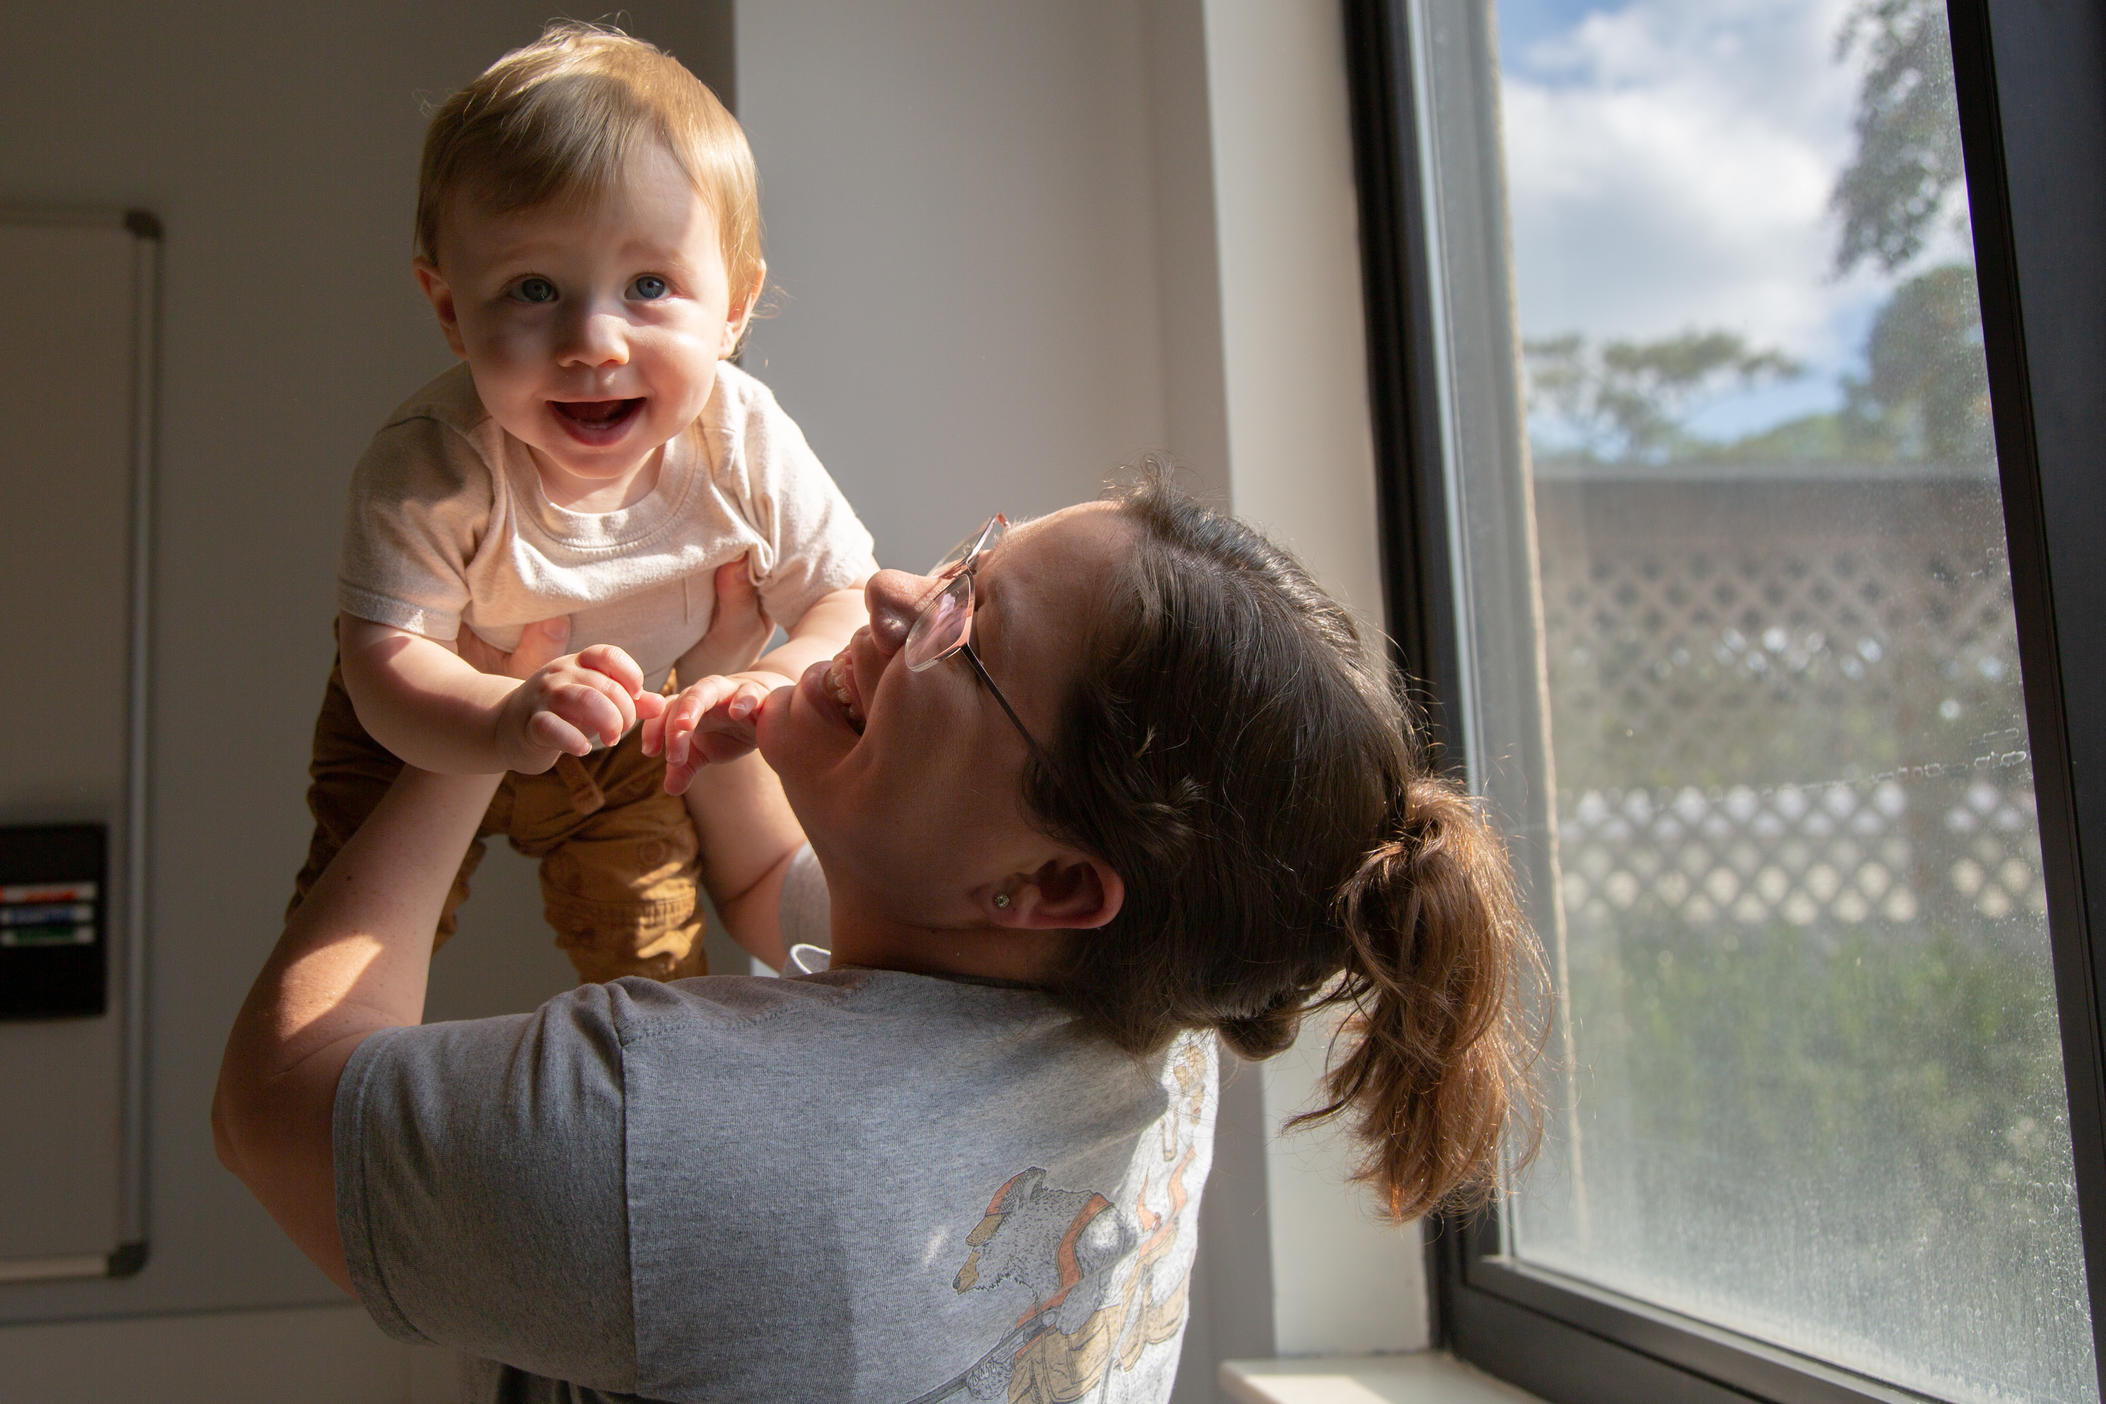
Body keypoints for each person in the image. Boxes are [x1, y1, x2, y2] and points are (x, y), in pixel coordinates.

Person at [217, 476, 1541, 1402]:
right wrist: (729, 725)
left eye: (968, 636)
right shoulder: (1136, 1017)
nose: (896, 593)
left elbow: (276, 1101)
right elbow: (772, 894)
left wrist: (477, 720)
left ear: (1051, 885)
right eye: (973, 558)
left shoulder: (679, 1140)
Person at [290, 21, 875, 984]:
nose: (592, 340)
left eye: (649, 285)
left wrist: (769, 680)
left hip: (629, 735)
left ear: (732, 310)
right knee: (351, 938)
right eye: (532, 288)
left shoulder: (741, 439)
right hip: (426, 729)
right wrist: (495, 721)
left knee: (650, 957)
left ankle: (648, 1098)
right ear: (450, 310)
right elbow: (383, 664)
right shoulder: (434, 461)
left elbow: (841, 598)